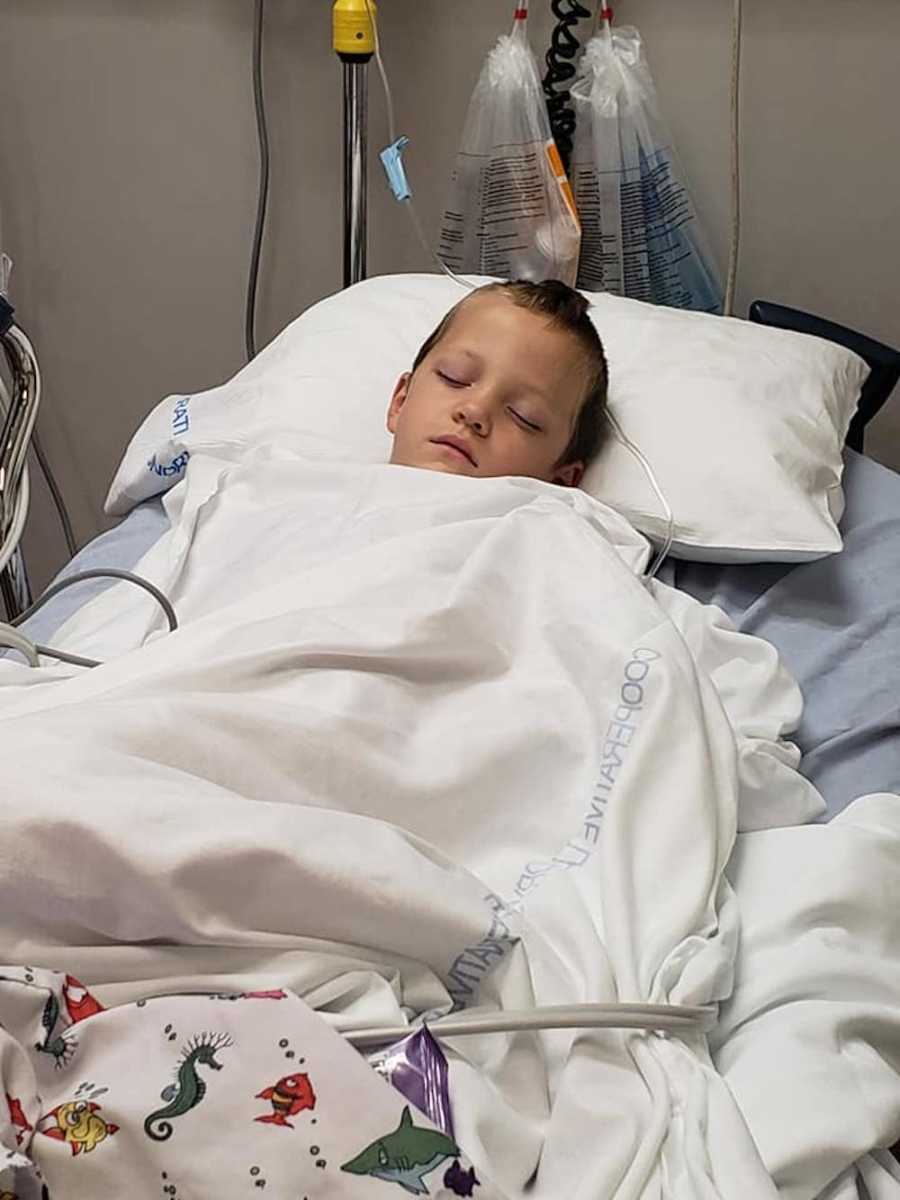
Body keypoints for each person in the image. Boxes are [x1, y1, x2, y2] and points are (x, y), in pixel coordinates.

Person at [387, 279, 609, 488]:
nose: (475, 411)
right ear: (401, 401)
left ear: (559, 482)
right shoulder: (353, 490)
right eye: (453, 377)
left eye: (523, 416)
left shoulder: (547, 526)